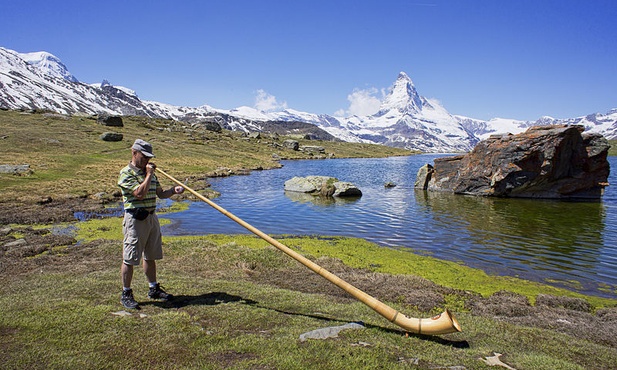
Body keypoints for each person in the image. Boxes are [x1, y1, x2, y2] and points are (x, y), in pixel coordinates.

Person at [117, 139, 185, 309]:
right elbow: (139, 193)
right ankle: (126, 292)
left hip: (151, 218)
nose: (147, 160)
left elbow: (160, 194)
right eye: (144, 156)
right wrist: (148, 175)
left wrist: (173, 191)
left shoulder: (152, 174)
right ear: (134, 153)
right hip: (135, 219)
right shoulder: (126, 173)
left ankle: (153, 288)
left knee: (151, 255)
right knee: (130, 257)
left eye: (149, 157)